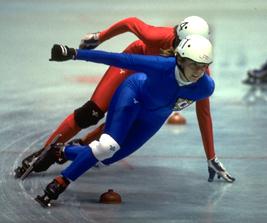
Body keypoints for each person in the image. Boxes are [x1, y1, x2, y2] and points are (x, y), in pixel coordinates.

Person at [15, 16, 233, 183]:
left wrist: (210, 157)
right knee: (91, 112)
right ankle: (42, 152)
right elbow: (131, 23)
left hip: (151, 86)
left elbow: (204, 113)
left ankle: (75, 149)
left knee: (119, 128)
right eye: (178, 44)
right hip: (133, 66)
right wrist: (100, 36)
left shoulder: (199, 74)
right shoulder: (157, 37)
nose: (180, 51)